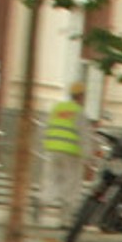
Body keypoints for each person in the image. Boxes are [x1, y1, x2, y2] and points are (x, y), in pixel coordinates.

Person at [43, 81, 87, 222]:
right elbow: (84, 134)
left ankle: (42, 199)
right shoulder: (78, 112)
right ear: (81, 96)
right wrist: (87, 155)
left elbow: (46, 127)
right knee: (71, 185)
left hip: (53, 149)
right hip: (71, 153)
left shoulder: (58, 108)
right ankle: (65, 219)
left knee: (52, 180)